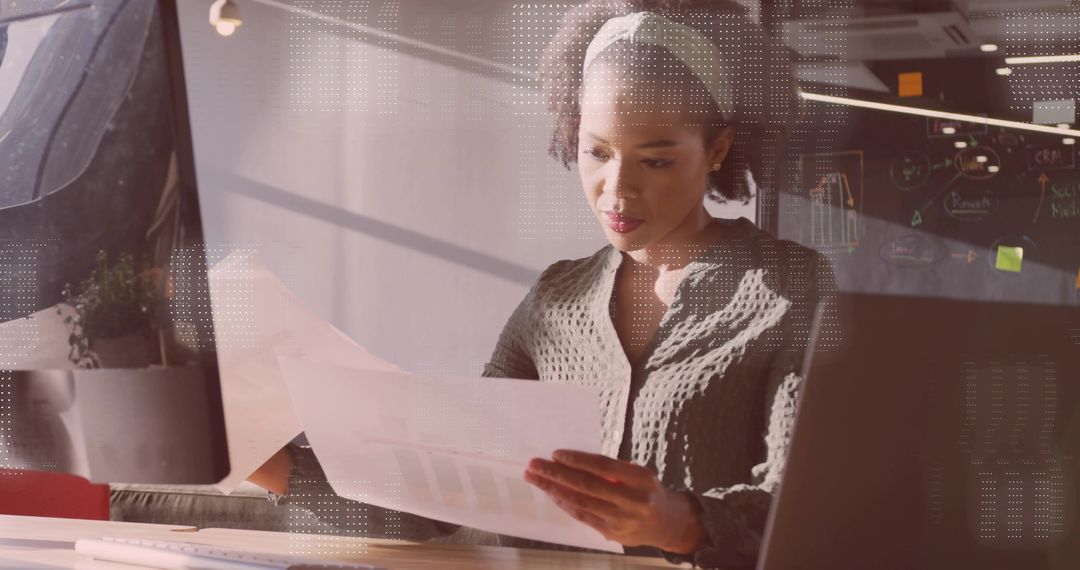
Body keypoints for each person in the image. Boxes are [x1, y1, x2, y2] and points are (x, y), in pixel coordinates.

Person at [249, 1, 836, 568]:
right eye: (597, 152)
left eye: (654, 161)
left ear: (718, 151)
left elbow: (811, 508)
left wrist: (678, 523)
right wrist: (267, 463)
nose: (617, 189)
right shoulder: (555, 300)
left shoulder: (793, 288)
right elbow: (446, 501)